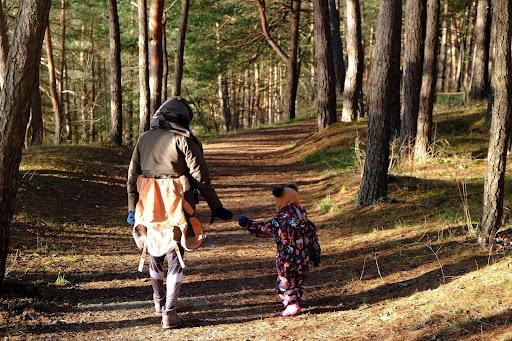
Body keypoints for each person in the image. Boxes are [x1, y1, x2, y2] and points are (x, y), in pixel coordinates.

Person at [126, 97, 232, 329]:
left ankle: (158, 302)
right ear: (183, 118)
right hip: (178, 205)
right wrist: (216, 207)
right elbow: (201, 179)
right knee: (175, 256)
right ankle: (169, 313)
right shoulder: (183, 140)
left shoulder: (143, 139)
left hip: (147, 204)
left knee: (153, 250)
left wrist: (132, 209)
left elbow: (132, 177)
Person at [237, 184, 321, 317]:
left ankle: (292, 304)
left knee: (284, 282)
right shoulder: (306, 221)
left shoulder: (280, 220)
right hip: (304, 259)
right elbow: (313, 239)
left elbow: (264, 229)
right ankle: (294, 300)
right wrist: (316, 256)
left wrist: (248, 223)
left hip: (286, 260)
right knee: (297, 281)